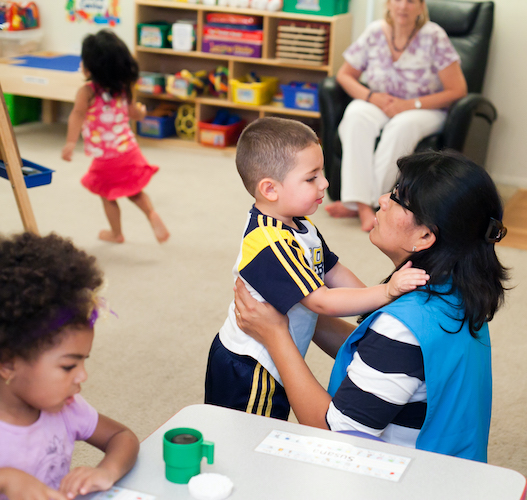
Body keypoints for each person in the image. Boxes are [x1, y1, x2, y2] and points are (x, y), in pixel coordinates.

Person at [234, 150, 509, 462]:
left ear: (425, 234)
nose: (382, 199)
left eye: (397, 197)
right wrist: (307, 312)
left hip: (411, 483)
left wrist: (276, 336)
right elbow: (381, 356)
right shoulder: (454, 290)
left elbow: (335, 437)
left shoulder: (402, 330)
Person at [204, 117, 429, 420]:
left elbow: (334, 271)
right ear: (270, 189)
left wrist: (381, 311)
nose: (324, 183)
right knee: (248, 434)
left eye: (321, 173)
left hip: (275, 356)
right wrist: (385, 292)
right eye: (311, 178)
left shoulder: (300, 225)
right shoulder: (269, 242)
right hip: (251, 365)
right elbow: (321, 300)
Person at [0, 232, 140, 500]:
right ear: (8, 363)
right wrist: (7, 479)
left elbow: (122, 436)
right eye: (68, 367)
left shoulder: (66, 407)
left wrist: (106, 472)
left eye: (83, 362)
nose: (83, 376)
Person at [325, 0, 468, 232]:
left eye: (411, 1)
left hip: (424, 109)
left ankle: (376, 203)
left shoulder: (434, 36)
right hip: (382, 102)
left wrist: (411, 104)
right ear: (388, 3)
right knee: (355, 116)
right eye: (397, 0)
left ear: (421, 6)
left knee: (401, 126)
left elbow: (457, 90)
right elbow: (344, 75)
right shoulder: (374, 32)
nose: (403, 6)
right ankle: (360, 204)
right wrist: (371, 97)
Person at [62, 29, 169, 244]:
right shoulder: (122, 89)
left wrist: (70, 143)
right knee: (135, 191)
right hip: (129, 151)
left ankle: (116, 233)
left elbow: (77, 115)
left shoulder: (87, 92)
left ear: (90, 67)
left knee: (107, 194)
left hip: (106, 158)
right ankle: (151, 214)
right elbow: (134, 113)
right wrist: (143, 112)